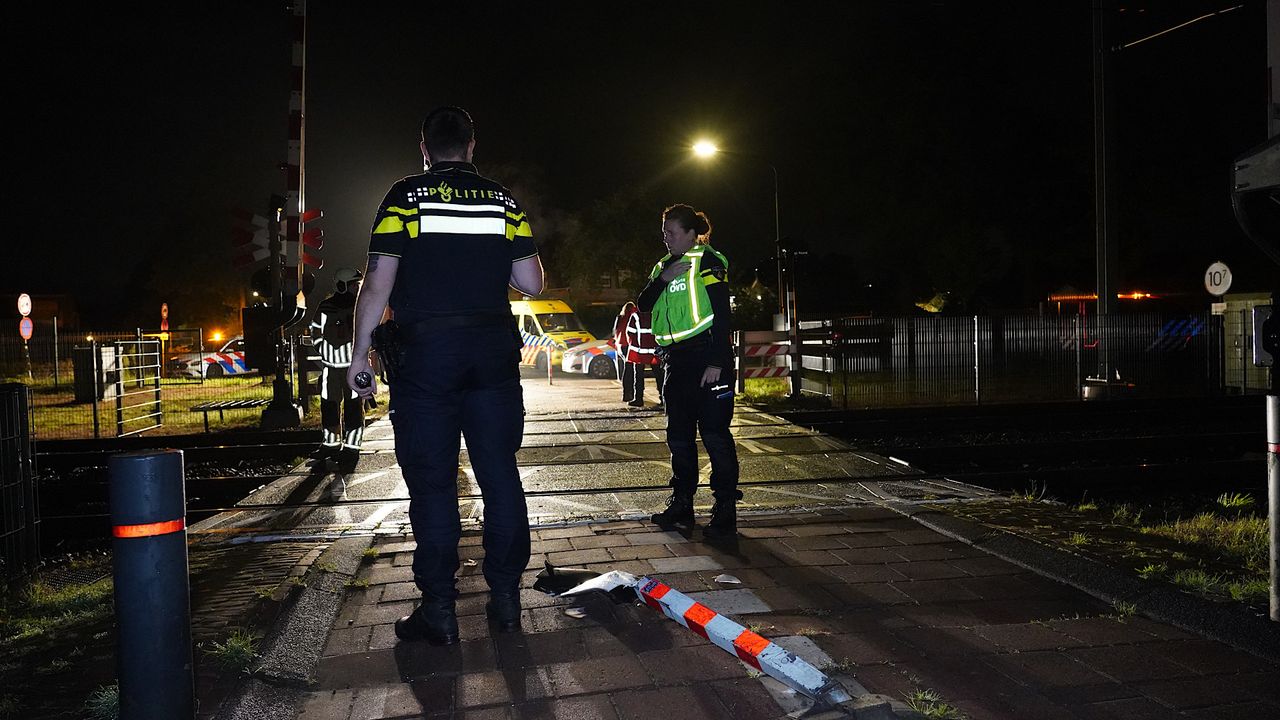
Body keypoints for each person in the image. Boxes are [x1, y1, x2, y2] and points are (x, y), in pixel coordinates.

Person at [347, 106, 544, 645]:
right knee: (499, 474)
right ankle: (505, 600)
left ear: (425, 148)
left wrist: (360, 354)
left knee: (433, 485)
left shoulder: (403, 197)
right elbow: (532, 281)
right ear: (472, 147)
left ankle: (440, 610)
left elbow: (377, 284)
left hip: (426, 357)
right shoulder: (503, 200)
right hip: (490, 354)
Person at [638, 204, 740, 539]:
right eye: (664, 232)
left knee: (715, 437)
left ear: (691, 233)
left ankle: (725, 507)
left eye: (671, 232)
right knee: (679, 439)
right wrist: (663, 279)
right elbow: (643, 303)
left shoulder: (708, 262)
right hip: (676, 364)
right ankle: (682, 502)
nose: (665, 238)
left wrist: (717, 362)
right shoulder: (664, 266)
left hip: (706, 360)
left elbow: (723, 315)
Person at [310, 267, 365, 471]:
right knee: (329, 407)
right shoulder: (326, 307)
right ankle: (330, 445)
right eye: (354, 285)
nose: (357, 288)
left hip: (353, 369)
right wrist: (322, 348)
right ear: (343, 285)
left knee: (353, 410)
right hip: (330, 369)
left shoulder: (360, 307)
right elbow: (315, 330)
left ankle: (351, 449)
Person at [624, 306, 664, 408]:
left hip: (639, 352)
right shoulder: (656, 314)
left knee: (638, 376)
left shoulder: (636, 316)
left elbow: (630, 332)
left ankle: (638, 398)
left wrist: (635, 344)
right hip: (655, 351)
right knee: (659, 375)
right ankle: (663, 398)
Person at [612, 302, 637, 404]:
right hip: (629, 345)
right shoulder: (633, 317)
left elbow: (614, 331)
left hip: (620, 345)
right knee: (630, 370)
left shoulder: (620, 317)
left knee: (627, 369)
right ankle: (630, 393)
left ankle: (626, 393)